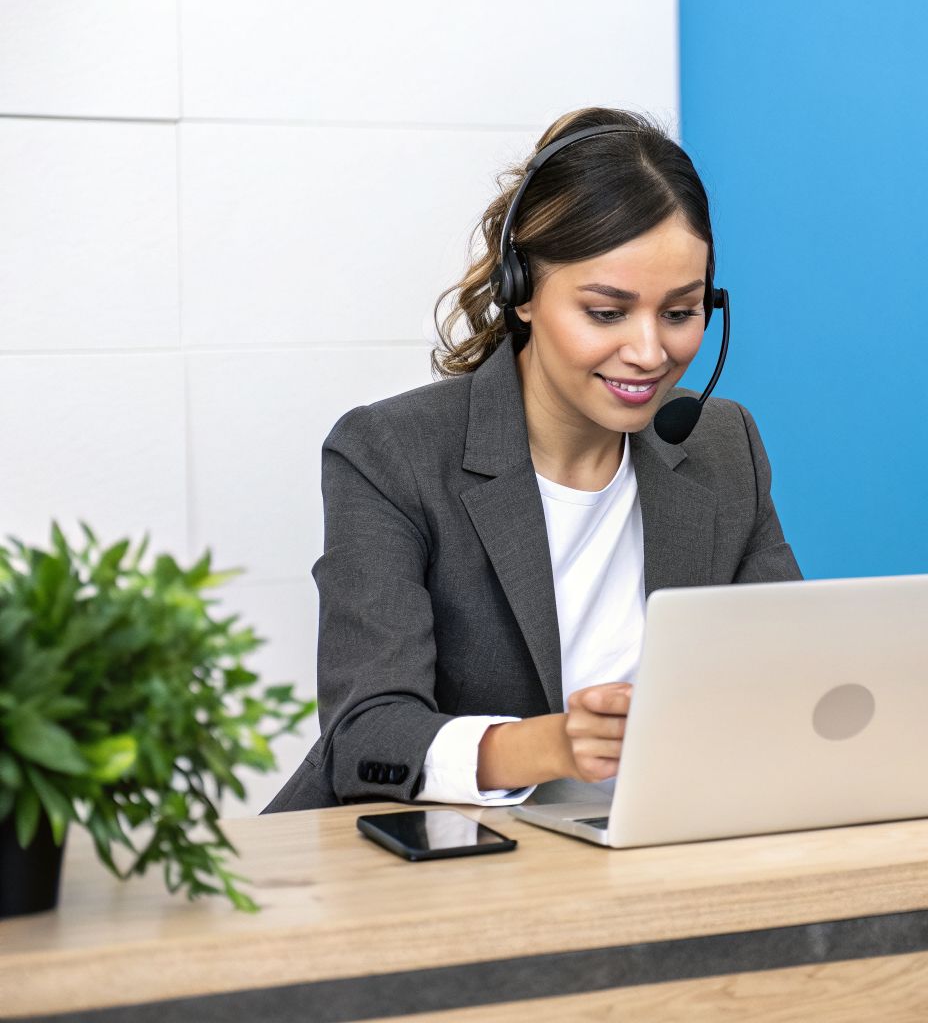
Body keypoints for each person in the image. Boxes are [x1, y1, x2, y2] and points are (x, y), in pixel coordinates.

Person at [261, 107, 800, 813]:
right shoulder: (391, 454)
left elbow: (795, 674)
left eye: (680, 312)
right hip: (435, 875)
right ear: (522, 292)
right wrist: (555, 745)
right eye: (606, 312)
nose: (649, 352)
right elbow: (368, 736)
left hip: (639, 851)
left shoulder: (723, 447)